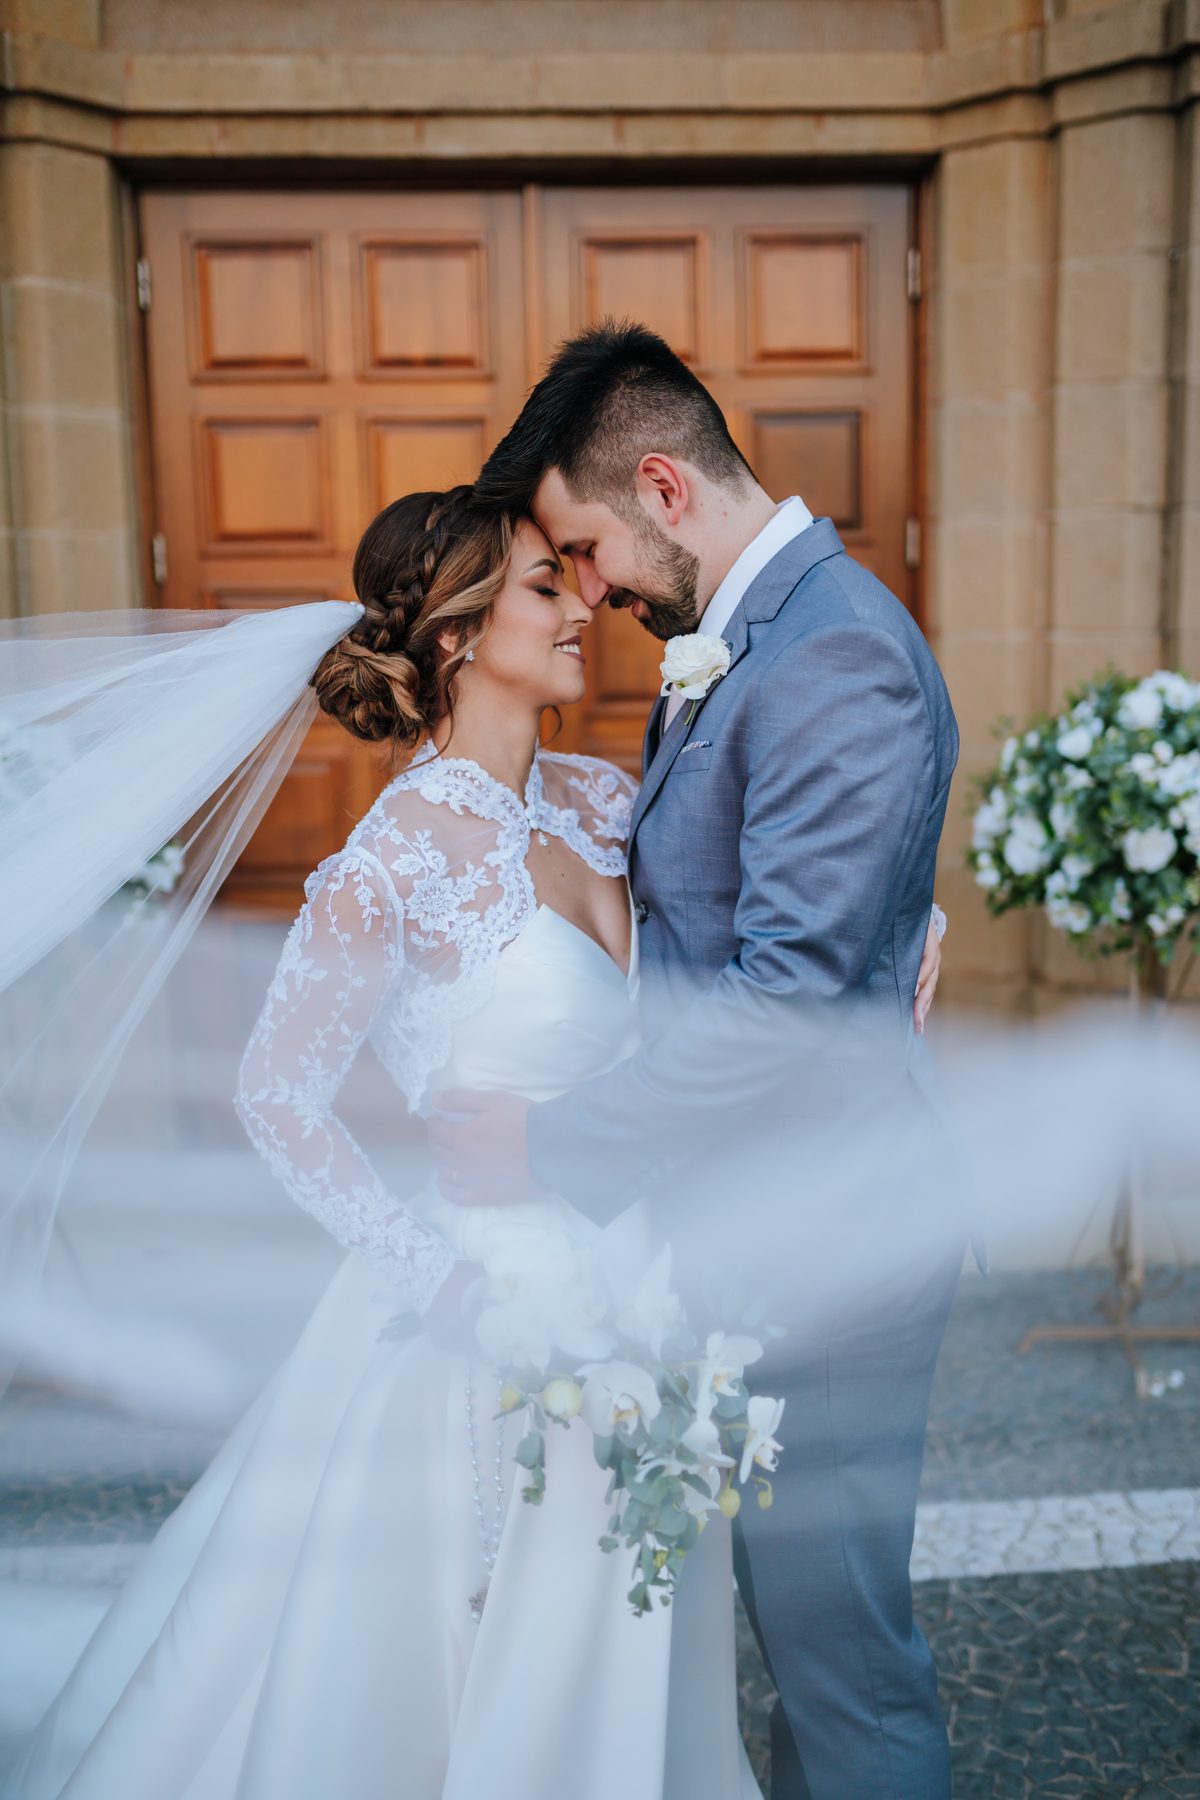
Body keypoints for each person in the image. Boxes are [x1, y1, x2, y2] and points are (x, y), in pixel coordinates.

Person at [4, 486, 771, 1800]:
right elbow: (276, 1095)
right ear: (460, 635)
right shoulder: (392, 859)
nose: (584, 607)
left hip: (653, 1282)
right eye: (545, 586)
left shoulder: (609, 797)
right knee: (501, 1644)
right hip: (496, 1315)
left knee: (639, 1617)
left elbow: (754, 938)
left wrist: (911, 930)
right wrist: (437, 1279)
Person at [429, 322, 965, 1800]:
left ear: (664, 488)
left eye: (587, 550)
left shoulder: (830, 647)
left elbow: (780, 997)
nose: (589, 590)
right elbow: (758, 899)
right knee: (805, 1652)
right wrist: (899, 921)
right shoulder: (756, 638)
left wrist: (545, 1147)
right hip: (757, 1229)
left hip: (832, 1251)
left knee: (847, 1671)